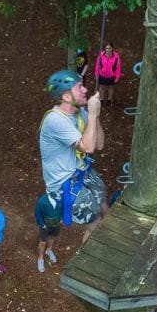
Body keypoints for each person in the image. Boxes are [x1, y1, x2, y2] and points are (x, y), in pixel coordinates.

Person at [39, 70, 107, 241]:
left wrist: (94, 116)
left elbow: (99, 144)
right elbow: (88, 147)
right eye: (79, 87)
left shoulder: (79, 113)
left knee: (105, 209)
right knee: (96, 226)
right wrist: (92, 113)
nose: (85, 90)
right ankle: (90, 261)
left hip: (82, 173)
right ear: (67, 97)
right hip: (65, 186)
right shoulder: (55, 120)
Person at [33, 192, 60, 273]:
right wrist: (42, 224)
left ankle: (49, 250)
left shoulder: (61, 198)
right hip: (45, 225)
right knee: (43, 242)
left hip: (56, 224)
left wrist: (62, 218)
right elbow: (37, 213)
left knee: (52, 237)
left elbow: (65, 208)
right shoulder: (42, 201)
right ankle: (40, 258)